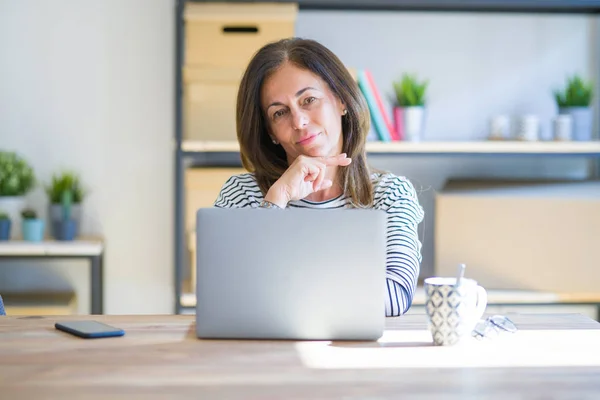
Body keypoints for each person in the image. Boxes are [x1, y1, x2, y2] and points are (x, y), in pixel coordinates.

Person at [214, 37, 424, 317]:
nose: (299, 121)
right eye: (279, 112)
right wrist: (277, 200)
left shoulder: (390, 194)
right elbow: (223, 295)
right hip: (263, 356)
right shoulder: (242, 193)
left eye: (309, 100)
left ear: (341, 100)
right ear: (271, 133)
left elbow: (394, 298)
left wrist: (279, 288)